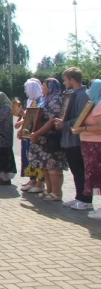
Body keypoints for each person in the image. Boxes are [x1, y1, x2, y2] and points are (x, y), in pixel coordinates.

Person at [54, 67, 92, 210]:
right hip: (69, 137)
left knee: (80, 169)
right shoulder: (72, 94)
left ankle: (86, 199)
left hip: (77, 139)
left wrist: (65, 124)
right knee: (75, 170)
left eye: (65, 80)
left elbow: (82, 118)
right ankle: (78, 197)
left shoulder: (83, 95)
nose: (64, 83)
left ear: (72, 79)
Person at [28, 78, 67, 201]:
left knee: (53, 167)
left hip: (51, 138)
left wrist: (37, 133)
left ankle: (56, 193)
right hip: (41, 139)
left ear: (51, 87)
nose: (43, 88)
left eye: (44, 86)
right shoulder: (44, 99)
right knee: (45, 166)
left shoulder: (56, 100)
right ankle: (49, 190)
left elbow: (52, 120)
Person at [72, 79, 101, 218]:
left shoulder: (100, 105)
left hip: (96, 146)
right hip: (89, 145)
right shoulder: (94, 103)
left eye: (91, 87)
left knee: (98, 175)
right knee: (94, 176)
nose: (88, 90)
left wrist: (83, 128)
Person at [18, 79, 44, 193]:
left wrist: (22, 115)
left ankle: (40, 182)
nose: (25, 91)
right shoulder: (30, 101)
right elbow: (27, 117)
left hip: (35, 134)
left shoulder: (40, 101)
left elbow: (34, 117)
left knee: (37, 159)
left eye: (26, 89)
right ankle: (32, 179)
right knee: (28, 157)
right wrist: (21, 125)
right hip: (27, 133)